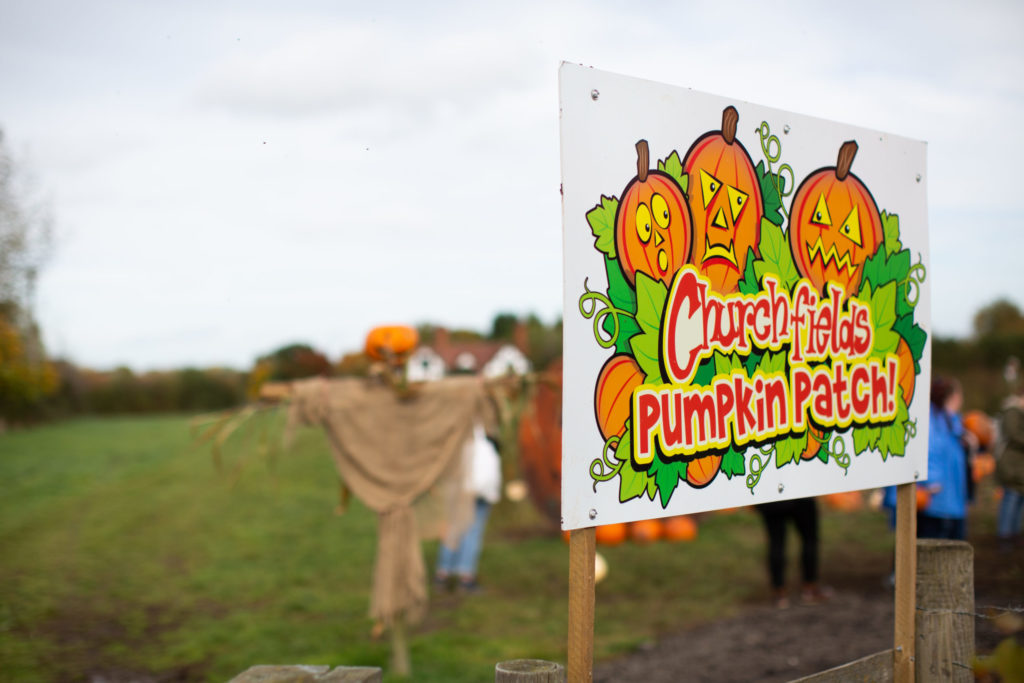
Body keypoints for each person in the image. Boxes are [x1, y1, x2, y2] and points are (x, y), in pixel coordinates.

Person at [434, 422, 502, 593]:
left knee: (453, 528)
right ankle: (466, 576)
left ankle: (443, 573)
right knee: (473, 530)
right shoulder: (486, 429)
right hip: (478, 489)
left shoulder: (456, 430)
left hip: (458, 488)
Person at [917, 377, 973, 540]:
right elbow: (929, 449)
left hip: (952, 499)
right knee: (930, 545)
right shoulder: (933, 421)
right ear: (954, 397)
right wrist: (931, 481)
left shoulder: (953, 421)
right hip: (937, 500)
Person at [755, 497, 830, 608]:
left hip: (772, 499)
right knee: (809, 539)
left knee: (776, 543)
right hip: (801, 496)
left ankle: (779, 594)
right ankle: (809, 588)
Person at [995, 386, 1024, 551]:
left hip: (1019, 466)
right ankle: (1004, 535)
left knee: (1019, 499)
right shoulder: (1012, 412)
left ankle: (1014, 533)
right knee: (1011, 498)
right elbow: (1013, 434)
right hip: (1010, 465)